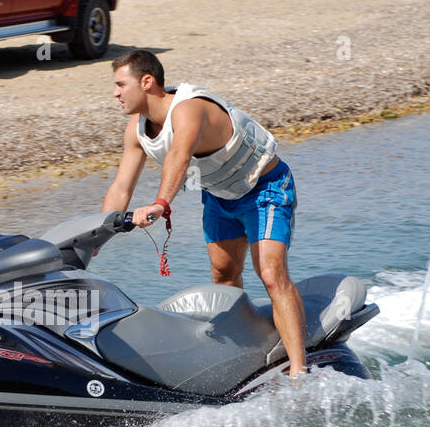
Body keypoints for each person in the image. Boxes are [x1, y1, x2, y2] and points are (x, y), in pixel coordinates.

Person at [102, 49, 308, 377]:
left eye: (120, 84)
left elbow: (180, 157)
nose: (114, 93)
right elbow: (121, 187)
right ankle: (247, 353)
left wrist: (160, 203)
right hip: (219, 195)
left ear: (146, 82)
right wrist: (98, 233)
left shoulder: (188, 109)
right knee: (224, 276)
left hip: (264, 187)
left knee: (270, 273)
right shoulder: (136, 131)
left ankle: (299, 373)